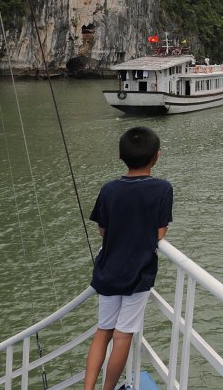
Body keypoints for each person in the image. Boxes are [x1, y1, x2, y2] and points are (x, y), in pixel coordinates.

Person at [83, 127, 173, 390]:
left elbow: (102, 230)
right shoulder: (162, 188)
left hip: (108, 270)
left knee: (103, 331)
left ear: (120, 154)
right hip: (139, 273)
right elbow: (159, 232)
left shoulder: (109, 189)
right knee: (122, 336)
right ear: (157, 156)